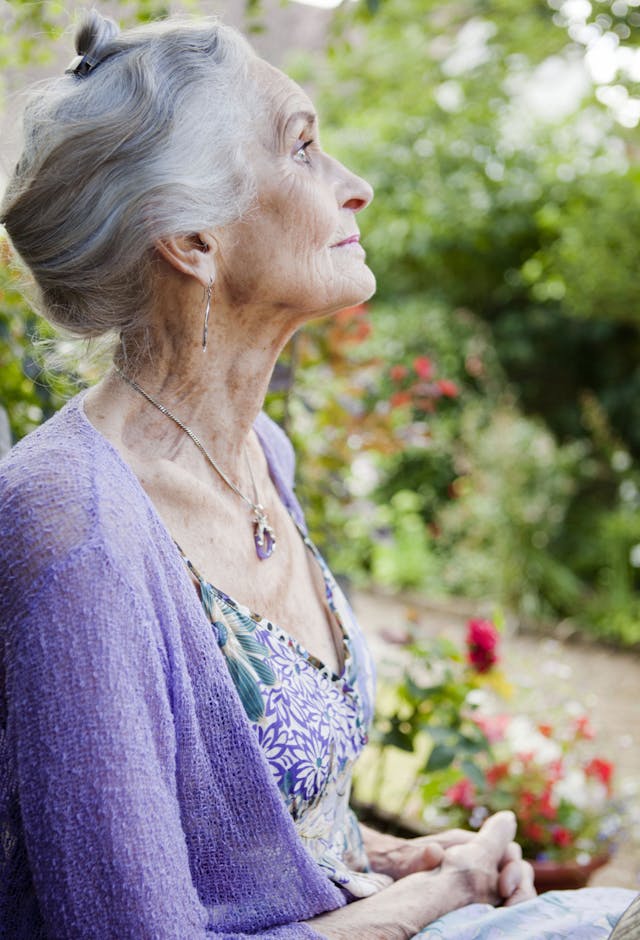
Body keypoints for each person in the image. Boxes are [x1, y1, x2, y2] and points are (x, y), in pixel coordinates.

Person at [0, 11, 634, 938]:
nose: (357, 187)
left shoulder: (263, 459)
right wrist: (438, 896)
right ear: (194, 237)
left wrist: (396, 855)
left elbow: (242, 835)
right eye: (303, 148)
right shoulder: (73, 527)